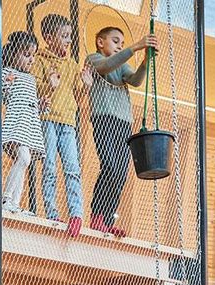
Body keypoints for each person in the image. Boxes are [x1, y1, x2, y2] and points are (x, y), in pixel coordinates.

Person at [86, 25, 157, 236]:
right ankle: (96, 216)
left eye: (122, 44)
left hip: (123, 123)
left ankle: (107, 220)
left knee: (120, 173)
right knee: (108, 165)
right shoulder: (94, 59)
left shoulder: (122, 66)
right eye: (115, 41)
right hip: (104, 119)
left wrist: (145, 61)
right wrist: (135, 48)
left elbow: (135, 80)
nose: (120, 47)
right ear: (101, 42)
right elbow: (107, 66)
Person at [33, 13, 93, 237]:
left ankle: (76, 214)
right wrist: (50, 85)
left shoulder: (71, 65)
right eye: (64, 36)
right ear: (49, 37)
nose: (68, 40)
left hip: (68, 122)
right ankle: (52, 212)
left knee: (72, 169)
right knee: (49, 166)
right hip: (47, 119)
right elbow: (38, 94)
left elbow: (77, 98)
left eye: (70, 36)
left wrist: (86, 86)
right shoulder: (39, 60)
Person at [1, 31, 46, 216]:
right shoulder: (7, 72)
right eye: (26, 55)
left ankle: (13, 202)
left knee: (24, 160)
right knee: (24, 158)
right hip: (16, 123)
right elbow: (1, 94)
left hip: (28, 126)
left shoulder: (31, 79)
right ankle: (6, 199)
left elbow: (32, 105)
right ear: (12, 54)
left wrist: (41, 105)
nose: (31, 60)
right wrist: (7, 82)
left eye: (33, 56)